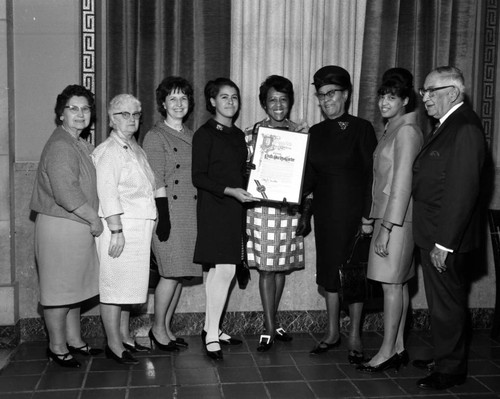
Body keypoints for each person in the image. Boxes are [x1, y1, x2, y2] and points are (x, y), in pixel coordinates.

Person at [412, 66, 486, 390]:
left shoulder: (465, 128)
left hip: (446, 239)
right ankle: (444, 357)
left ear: (453, 92)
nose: (424, 97)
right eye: (423, 91)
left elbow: (462, 191)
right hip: (435, 233)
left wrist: (444, 243)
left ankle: (451, 370)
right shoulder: (448, 124)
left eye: (431, 91)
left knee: (448, 306)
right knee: (442, 304)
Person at [298, 66, 377, 363]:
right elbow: (308, 178)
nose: (326, 100)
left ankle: (355, 336)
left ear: (345, 94)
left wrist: (368, 218)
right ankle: (332, 333)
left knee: (354, 277)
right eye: (321, 95)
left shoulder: (362, 128)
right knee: (330, 275)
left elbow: (373, 175)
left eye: (331, 93)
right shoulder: (315, 133)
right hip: (327, 216)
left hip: (355, 217)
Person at [30, 84, 103, 368]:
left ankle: (75, 340)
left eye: (85, 109)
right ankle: (57, 346)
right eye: (73, 108)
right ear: (61, 114)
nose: (80, 114)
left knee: (74, 290)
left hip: (75, 225)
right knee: (59, 292)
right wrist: (95, 219)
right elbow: (66, 193)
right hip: (63, 226)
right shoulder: (61, 145)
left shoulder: (77, 142)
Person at [356, 68, 423, 373]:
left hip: (396, 220)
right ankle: (398, 347)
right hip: (390, 217)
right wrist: (372, 217)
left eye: (392, 97)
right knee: (399, 285)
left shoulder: (406, 131)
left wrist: (385, 228)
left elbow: (401, 184)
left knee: (391, 286)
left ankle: (386, 352)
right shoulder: (393, 128)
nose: (384, 101)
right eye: (383, 95)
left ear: (405, 100)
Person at [192, 78, 256, 360]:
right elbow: (199, 176)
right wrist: (231, 190)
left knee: (219, 272)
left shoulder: (238, 134)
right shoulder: (205, 134)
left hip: (235, 207)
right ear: (212, 102)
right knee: (226, 270)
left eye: (235, 97)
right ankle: (211, 335)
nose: (231, 102)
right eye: (224, 97)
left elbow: (238, 169)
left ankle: (211, 329)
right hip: (216, 207)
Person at [244, 75, 307, 352]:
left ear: (290, 102)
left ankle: (273, 319)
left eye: (283, 99)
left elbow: (308, 177)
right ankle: (269, 327)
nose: (278, 105)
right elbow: (244, 172)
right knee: (267, 271)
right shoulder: (252, 134)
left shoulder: (302, 134)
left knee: (280, 266)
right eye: (272, 100)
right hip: (261, 210)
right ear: (263, 104)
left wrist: (307, 210)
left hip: (289, 209)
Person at [92, 94, 157, 365]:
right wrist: (116, 230)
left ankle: (125, 338)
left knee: (127, 288)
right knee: (113, 288)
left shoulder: (134, 147)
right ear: (110, 119)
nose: (130, 120)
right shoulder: (109, 150)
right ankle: (114, 344)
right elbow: (107, 193)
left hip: (137, 229)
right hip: (119, 230)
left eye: (135, 115)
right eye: (123, 114)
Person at [143, 76, 200, 351]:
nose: (178, 103)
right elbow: (157, 179)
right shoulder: (155, 136)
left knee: (179, 274)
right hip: (168, 213)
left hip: (190, 213)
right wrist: (163, 217)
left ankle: (166, 327)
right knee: (169, 273)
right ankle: (156, 329)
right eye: (173, 98)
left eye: (183, 98)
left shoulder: (192, 134)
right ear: (163, 103)